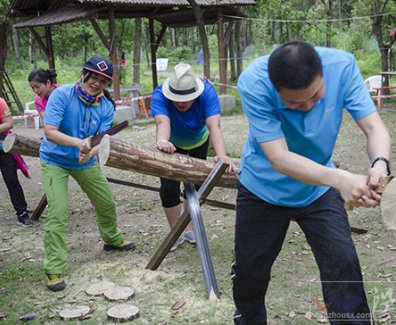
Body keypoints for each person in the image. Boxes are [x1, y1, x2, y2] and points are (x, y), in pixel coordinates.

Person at [233, 40, 391, 324]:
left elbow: (373, 126)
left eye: (316, 96)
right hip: (262, 190)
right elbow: (279, 158)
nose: (306, 107)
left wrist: (380, 163)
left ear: (322, 75)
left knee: (343, 266)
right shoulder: (253, 82)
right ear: (274, 88)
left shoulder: (342, 66)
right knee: (250, 274)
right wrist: (340, 179)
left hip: (317, 190)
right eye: (293, 103)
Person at [40, 55, 135, 292]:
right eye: (94, 77)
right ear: (84, 75)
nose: (97, 83)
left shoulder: (105, 106)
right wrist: (77, 144)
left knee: (106, 203)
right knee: (58, 213)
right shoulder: (61, 95)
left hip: (84, 163)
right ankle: (54, 269)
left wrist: (90, 153)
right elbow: (50, 132)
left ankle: (112, 240)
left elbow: (99, 140)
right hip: (55, 161)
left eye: (103, 81)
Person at [150, 62, 233, 251]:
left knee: (195, 186)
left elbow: (215, 126)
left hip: (199, 141)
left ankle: (189, 227)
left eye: (185, 99)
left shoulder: (207, 92)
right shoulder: (159, 94)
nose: (180, 103)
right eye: (176, 98)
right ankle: (175, 232)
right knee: (169, 187)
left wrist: (221, 155)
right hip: (171, 144)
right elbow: (162, 121)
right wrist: (163, 141)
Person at [0, 98, 33, 227]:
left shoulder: (1, 102)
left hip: (3, 147)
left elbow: (9, 123)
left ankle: (22, 213)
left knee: (12, 180)